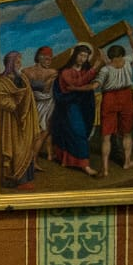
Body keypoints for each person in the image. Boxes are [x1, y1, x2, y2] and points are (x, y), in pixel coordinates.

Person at [50, 43, 101, 176]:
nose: (82, 59)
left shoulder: (86, 70)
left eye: (85, 56)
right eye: (80, 55)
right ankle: (85, 165)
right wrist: (95, 68)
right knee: (78, 132)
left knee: (79, 132)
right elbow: (77, 83)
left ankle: (68, 160)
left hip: (84, 106)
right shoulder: (66, 72)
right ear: (75, 55)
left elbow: (89, 82)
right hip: (69, 105)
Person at [97, 31, 133, 176]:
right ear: (122, 54)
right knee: (127, 133)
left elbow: (100, 83)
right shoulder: (128, 60)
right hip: (125, 96)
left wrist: (100, 54)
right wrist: (130, 36)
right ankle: (127, 162)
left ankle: (105, 169)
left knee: (106, 136)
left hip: (109, 98)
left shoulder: (105, 68)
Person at [0, 50, 42, 190]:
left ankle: (26, 178)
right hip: (11, 122)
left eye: (20, 61)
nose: (20, 64)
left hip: (25, 121)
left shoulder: (22, 78)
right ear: (10, 64)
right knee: (15, 148)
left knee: (26, 146)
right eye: (17, 62)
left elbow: (28, 96)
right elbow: (2, 99)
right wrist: (16, 103)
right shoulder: (1, 81)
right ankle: (16, 179)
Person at [22, 46, 59, 162]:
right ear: (39, 57)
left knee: (47, 129)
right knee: (42, 132)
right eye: (47, 59)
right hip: (38, 103)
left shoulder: (25, 72)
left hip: (44, 103)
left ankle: (49, 154)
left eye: (50, 59)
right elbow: (45, 89)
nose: (49, 62)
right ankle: (33, 158)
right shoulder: (52, 73)